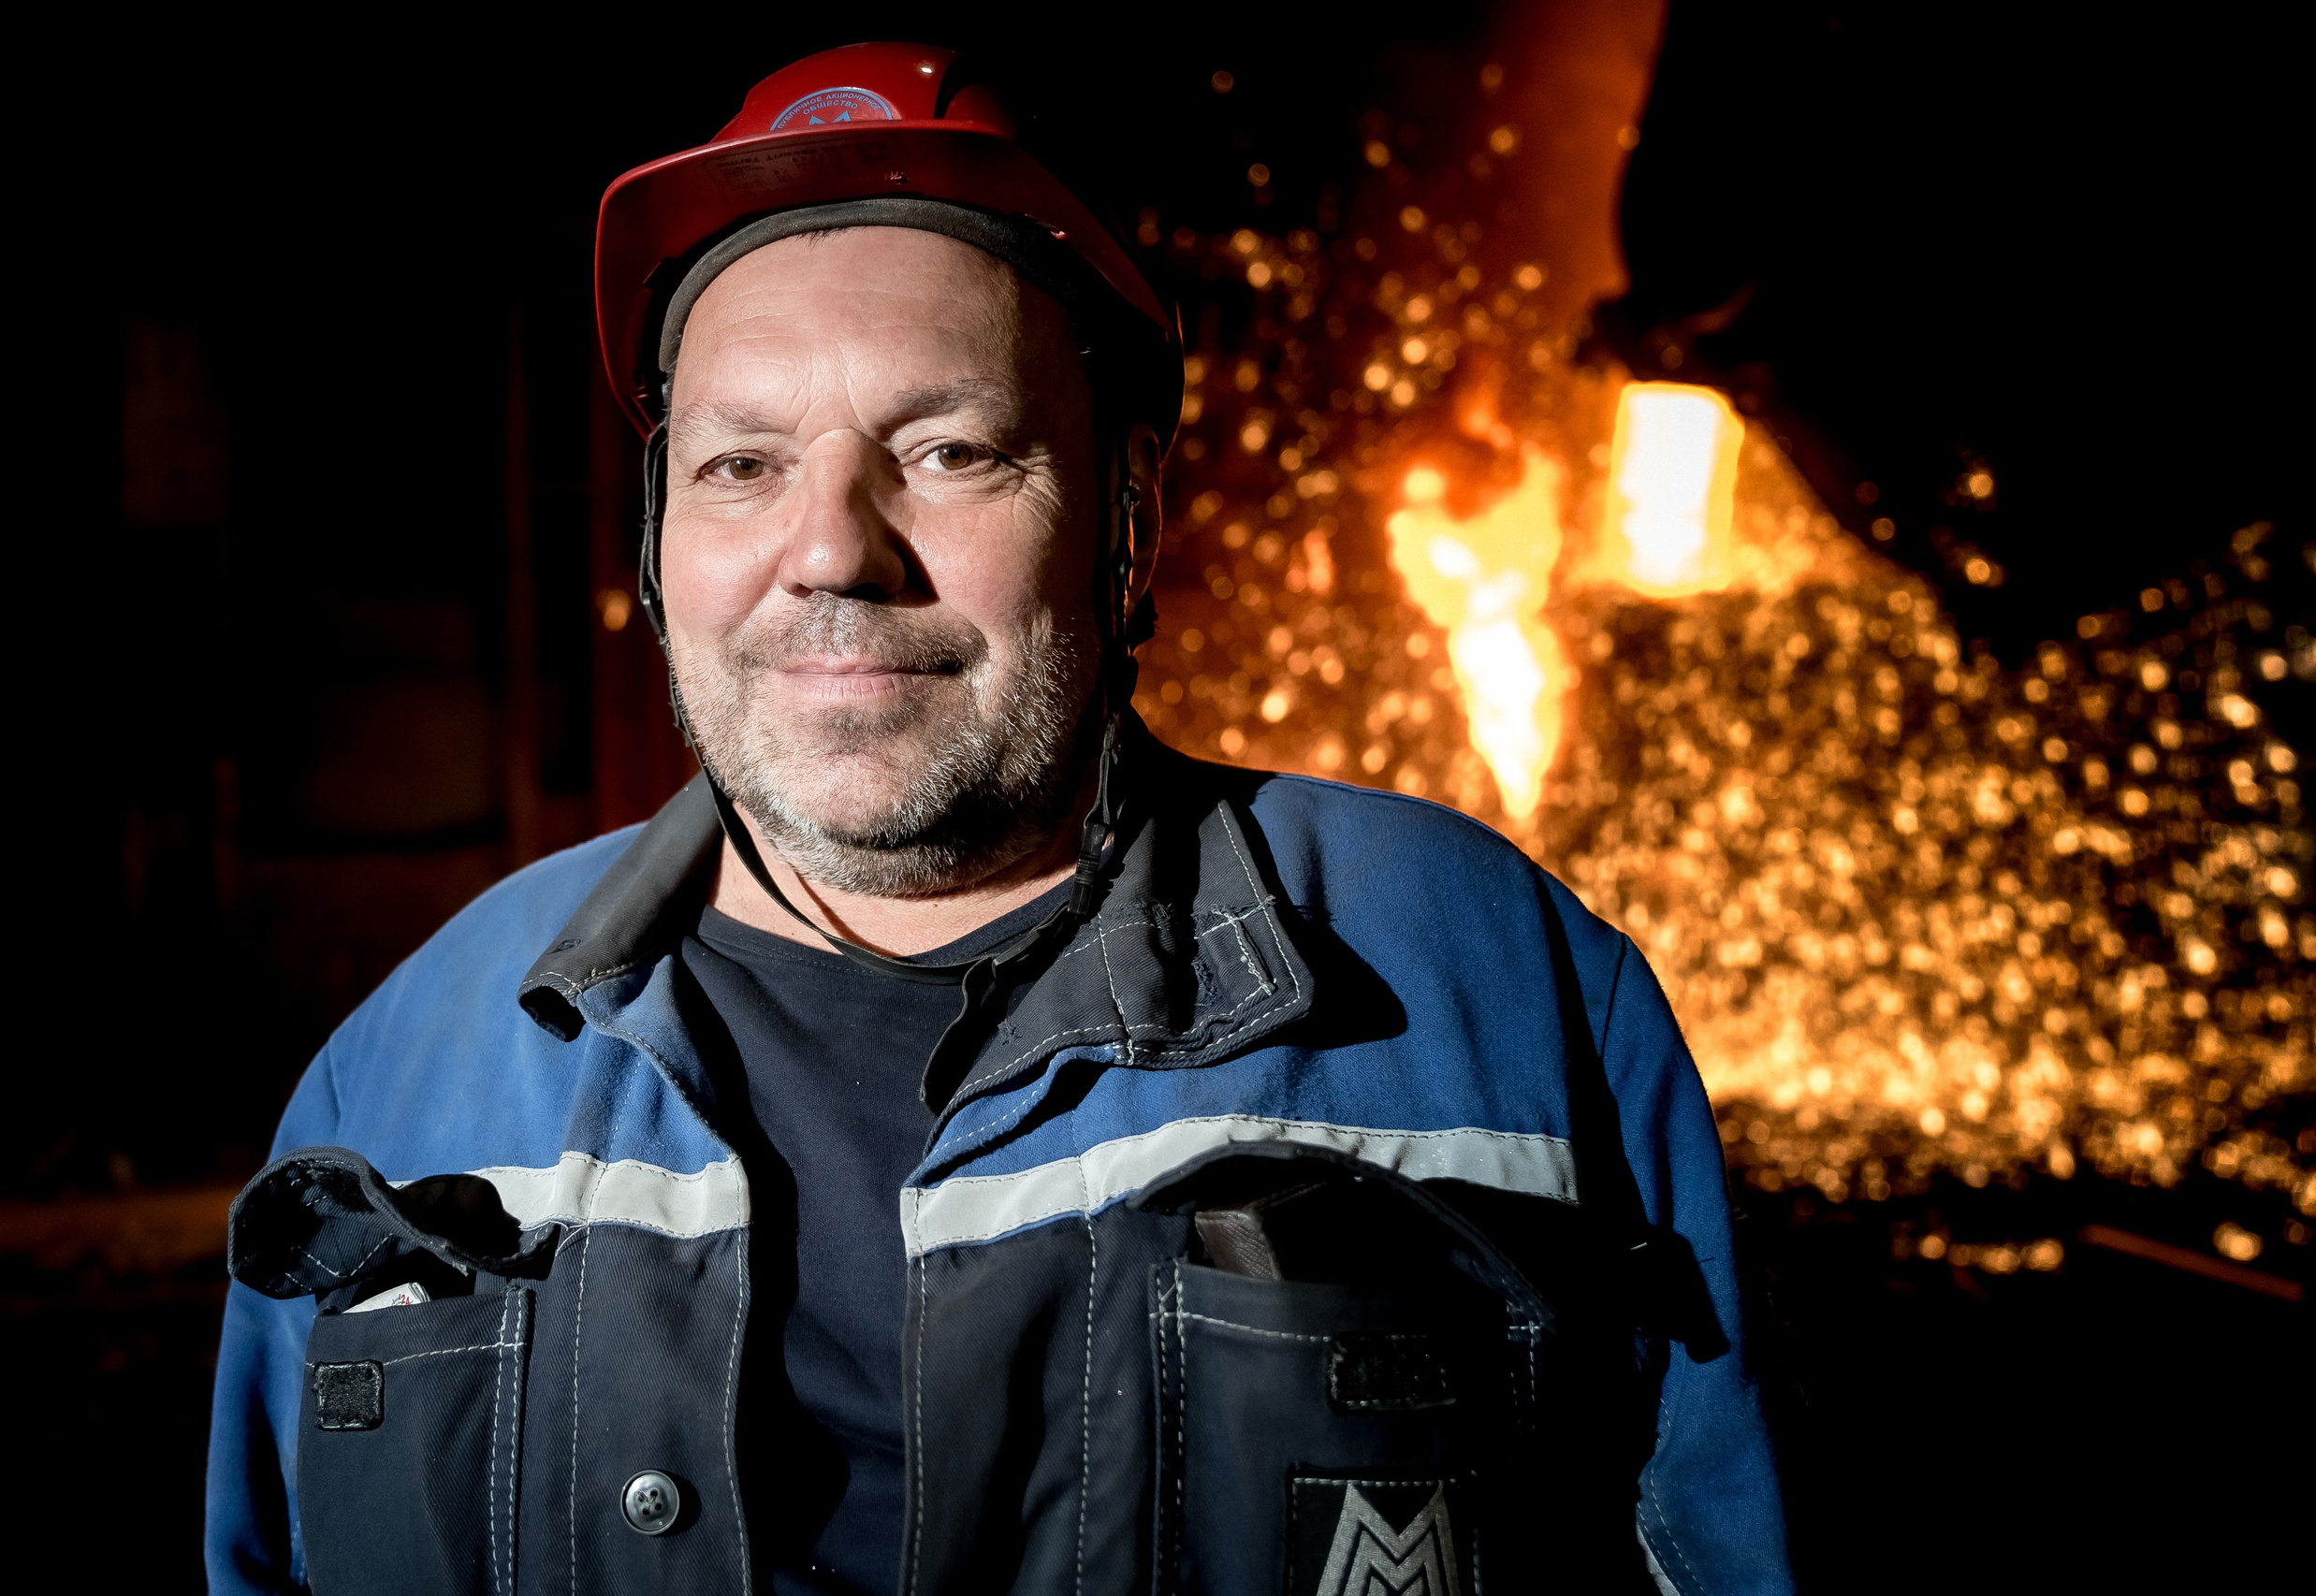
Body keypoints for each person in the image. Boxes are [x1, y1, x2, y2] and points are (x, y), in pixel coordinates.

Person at [205, 41, 1792, 1596]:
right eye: (742, 463)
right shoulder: (402, 1072)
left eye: (949, 451)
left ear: (1129, 511)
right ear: (657, 538)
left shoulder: (1495, 988)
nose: (831, 550)